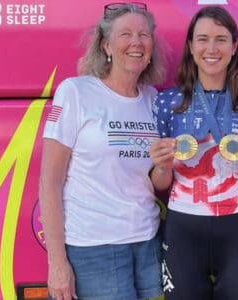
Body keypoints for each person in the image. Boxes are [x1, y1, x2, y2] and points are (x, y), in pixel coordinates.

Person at [38, 3, 167, 300]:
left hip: (148, 244)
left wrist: (164, 166)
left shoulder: (153, 100)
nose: (136, 43)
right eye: (126, 34)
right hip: (93, 250)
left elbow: (156, 181)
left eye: (143, 35)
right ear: (106, 45)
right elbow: (50, 183)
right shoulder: (76, 92)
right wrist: (57, 263)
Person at [148, 6, 238, 300]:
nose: (212, 48)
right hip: (184, 227)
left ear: (234, 47)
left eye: (221, 39)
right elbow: (159, 185)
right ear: (191, 47)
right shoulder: (167, 103)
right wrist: (163, 166)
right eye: (203, 39)